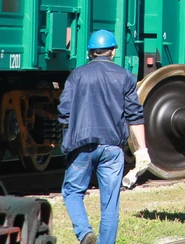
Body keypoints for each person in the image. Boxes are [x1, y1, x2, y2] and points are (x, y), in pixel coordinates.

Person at [59, 30, 151, 244]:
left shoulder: (77, 75)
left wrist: (68, 135)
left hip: (82, 145)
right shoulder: (125, 77)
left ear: (90, 52)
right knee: (110, 202)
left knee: (72, 191)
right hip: (112, 148)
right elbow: (135, 116)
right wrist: (142, 151)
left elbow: (64, 111)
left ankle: (84, 233)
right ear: (112, 52)